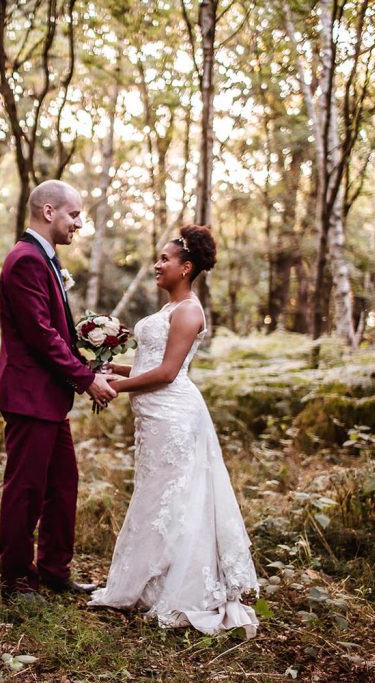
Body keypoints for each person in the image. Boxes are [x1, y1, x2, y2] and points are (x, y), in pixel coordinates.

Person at [87, 224, 260, 637]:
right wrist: (116, 368)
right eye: (159, 258)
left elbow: (167, 373)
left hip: (174, 415)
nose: (157, 265)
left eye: (165, 259)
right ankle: (150, 583)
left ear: (186, 268)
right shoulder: (168, 310)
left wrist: (113, 386)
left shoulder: (188, 311)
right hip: (154, 418)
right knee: (155, 494)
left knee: (176, 498)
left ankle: (180, 590)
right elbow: (152, 364)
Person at [0, 179, 118, 603]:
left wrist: (91, 356)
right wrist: (85, 379)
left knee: (63, 486)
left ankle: (52, 571)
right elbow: (41, 336)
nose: (79, 224)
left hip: (47, 399)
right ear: (49, 212)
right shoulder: (25, 260)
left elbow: (56, 332)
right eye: (74, 214)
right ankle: (16, 581)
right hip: (29, 398)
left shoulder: (44, 259)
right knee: (25, 490)